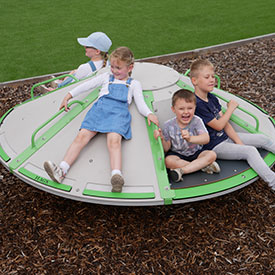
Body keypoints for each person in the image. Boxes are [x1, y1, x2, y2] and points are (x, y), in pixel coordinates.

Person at [44, 46, 159, 192]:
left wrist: (149, 113)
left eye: (119, 68)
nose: (114, 70)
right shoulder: (106, 77)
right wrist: (69, 95)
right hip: (99, 111)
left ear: (130, 67)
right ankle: (62, 170)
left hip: (118, 114)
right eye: (112, 67)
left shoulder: (134, 84)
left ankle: (116, 176)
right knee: (81, 137)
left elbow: (140, 103)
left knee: (114, 141)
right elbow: (86, 85)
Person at [191, 59, 275, 191]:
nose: (212, 79)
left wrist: (238, 142)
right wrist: (230, 108)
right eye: (207, 77)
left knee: (263, 139)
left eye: (213, 76)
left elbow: (226, 124)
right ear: (194, 81)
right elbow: (218, 125)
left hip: (225, 137)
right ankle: (273, 182)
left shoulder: (212, 98)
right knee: (250, 151)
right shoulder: (197, 104)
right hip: (215, 145)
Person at [154, 89, 220, 182]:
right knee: (168, 161)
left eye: (190, 108)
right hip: (178, 155)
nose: (186, 112)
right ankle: (201, 166)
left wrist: (190, 138)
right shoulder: (168, 125)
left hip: (196, 152)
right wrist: (161, 138)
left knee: (211, 155)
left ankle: (183, 170)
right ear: (173, 109)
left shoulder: (197, 121)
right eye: (181, 109)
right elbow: (166, 148)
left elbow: (206, 139)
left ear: (195, 108)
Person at [47, 32, 112, 90]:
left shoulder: (85, 68)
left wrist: (54, 90)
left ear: (97, 51)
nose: (84, 46)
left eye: (87, 46)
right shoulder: (109, 64)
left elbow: (67, 89)